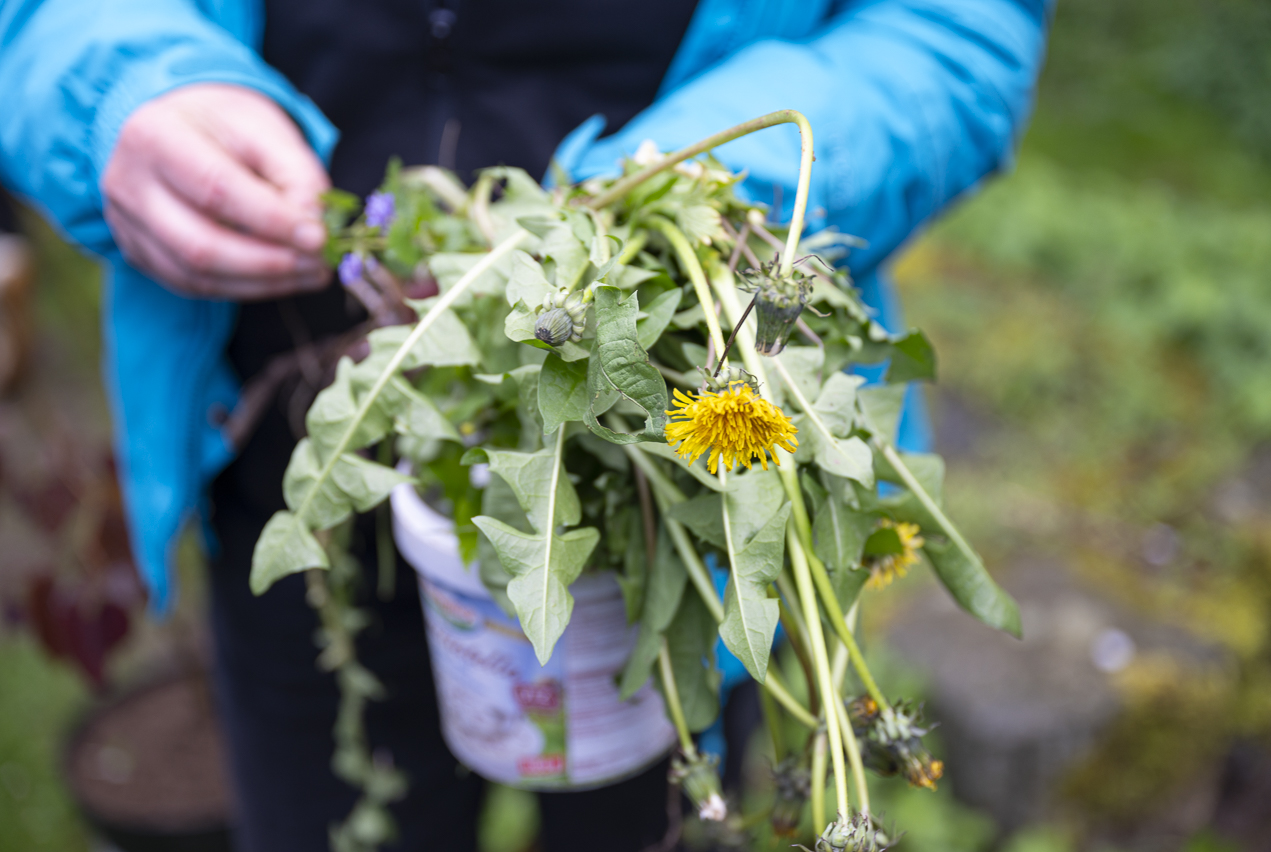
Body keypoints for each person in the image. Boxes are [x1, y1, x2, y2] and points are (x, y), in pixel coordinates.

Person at [0, 1, 1051, 850]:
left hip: (678, 499)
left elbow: (951, 28)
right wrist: (115, 85)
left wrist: (691, 198)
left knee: (654, 811)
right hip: (290, 449)